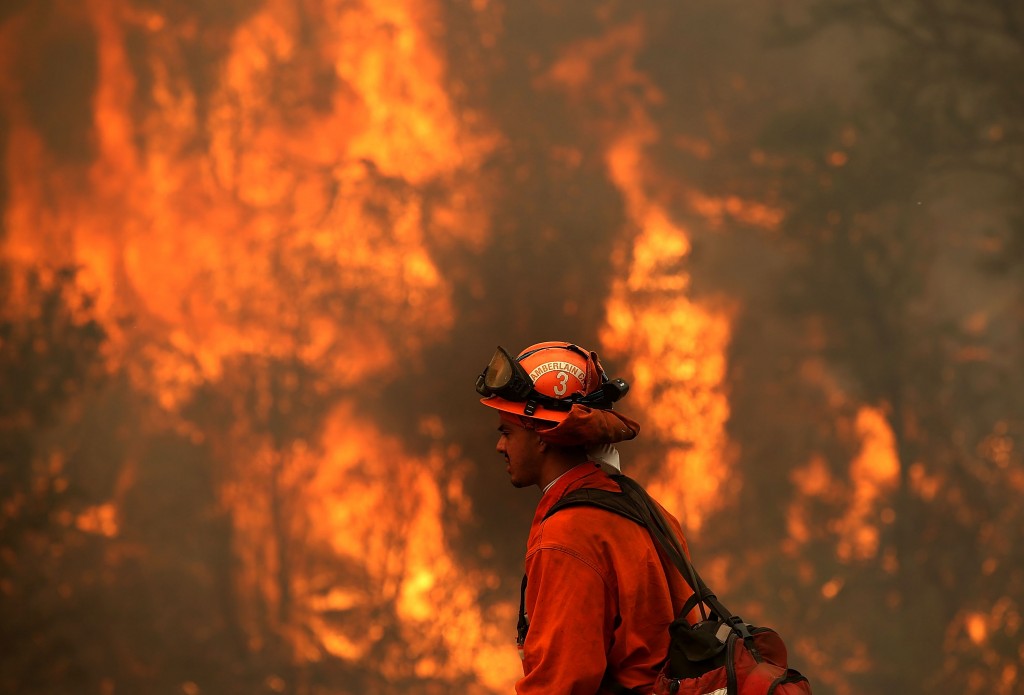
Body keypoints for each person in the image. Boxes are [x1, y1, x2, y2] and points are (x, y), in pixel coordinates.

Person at [475, 341, 696, 695]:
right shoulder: (651, 510)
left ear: (541, 433)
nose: (501, 446)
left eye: (507, 432)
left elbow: (560, 684)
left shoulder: (567, 536)